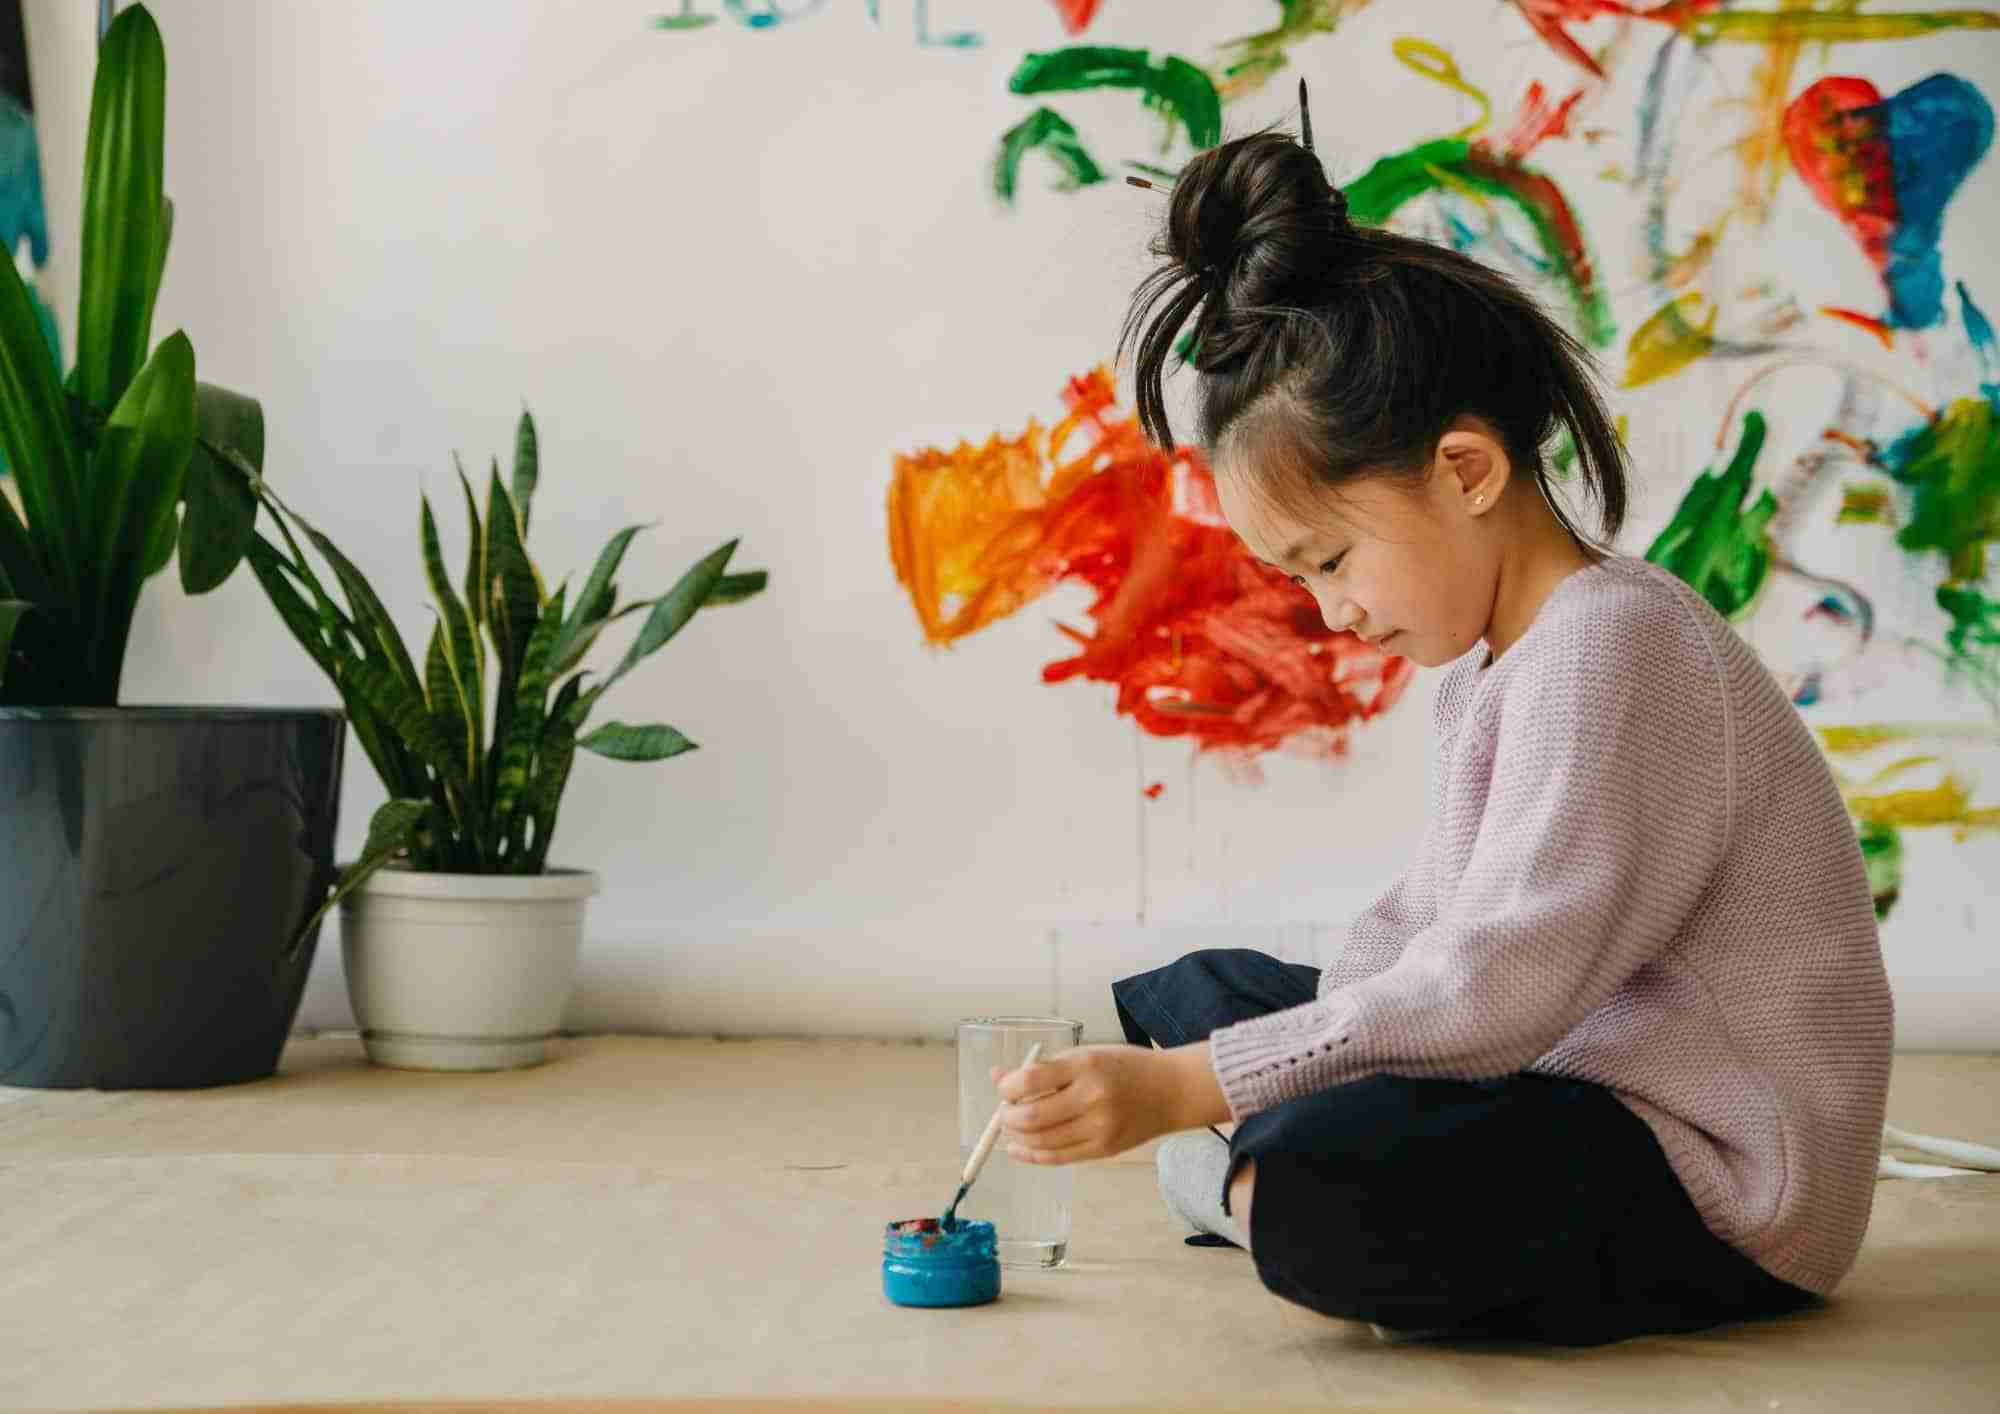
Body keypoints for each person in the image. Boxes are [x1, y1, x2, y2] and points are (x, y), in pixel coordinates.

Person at [991, 115, 1893, 1347]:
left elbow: (1494, 985)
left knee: (1316, 1183)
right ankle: (1239, 1157)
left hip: (1718, 1182)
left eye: (1329, 560)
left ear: (1464, 471)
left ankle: (1233, 1178)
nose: (1332, 611)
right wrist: (1244, 1049)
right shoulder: (1499, 663)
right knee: (1211, 990)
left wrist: (1195, 1090)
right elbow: (1427, 929)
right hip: (1571, 1065)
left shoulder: (1608, 643)